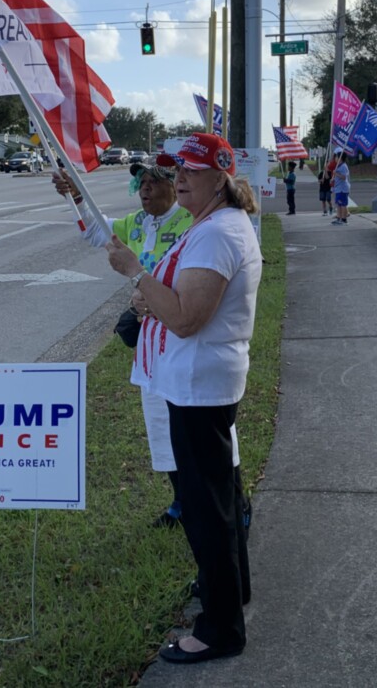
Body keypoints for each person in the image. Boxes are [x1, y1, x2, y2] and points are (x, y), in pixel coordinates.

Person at [107, 133, 263, 664]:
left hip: (199, 385)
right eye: (175, 168)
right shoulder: (208, 225)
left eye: (191, 170)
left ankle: (220, 629)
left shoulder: (217, 233)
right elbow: (177, 303)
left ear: (220, 176)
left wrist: (137, 274)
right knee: (217, 496)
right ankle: (229, 590)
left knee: (205, 508)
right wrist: (150, 294)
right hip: (195, 382)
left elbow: (186, 318)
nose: (178, 178)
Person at [52, 161, 193, 526]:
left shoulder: (191, 222)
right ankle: (182, 500)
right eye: (141, 183)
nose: (145, 189)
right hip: (151, 347)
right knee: (161, 426)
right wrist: (75, 197)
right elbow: (95, 232)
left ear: (174, 186)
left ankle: (231, 501)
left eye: (154, 183)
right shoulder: (138, 224)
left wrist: (153, 294)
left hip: (185, 339)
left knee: (199, 429)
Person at [331, 151, 350, 224]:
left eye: (336, 157)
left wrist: (336, 174)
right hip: (338, 188)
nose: (335, 158)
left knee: (343, 204)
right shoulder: (338, 166)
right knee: (338, 204)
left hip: (342, 189)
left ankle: (343, 219)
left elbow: (344, 177)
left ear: (340, 158)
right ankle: (339, 218)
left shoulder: (344, 166)